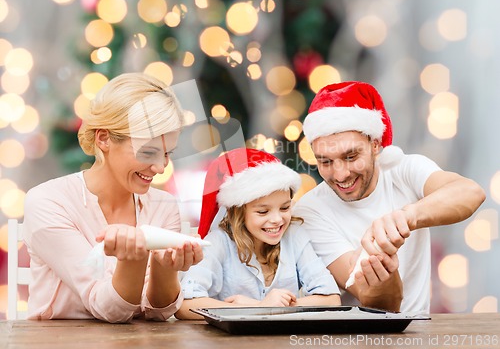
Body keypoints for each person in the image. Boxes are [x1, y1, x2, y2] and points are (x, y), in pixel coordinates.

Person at [23, 73, 203, 323]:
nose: (161, 167)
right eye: (149, 152)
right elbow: (108, 309)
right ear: (104, 138)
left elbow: (158, 312)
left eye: (167, 154)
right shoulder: (48, 201)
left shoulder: (164, 206)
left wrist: (166, 268)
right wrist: (134, 258)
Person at [293, 81, 485, 313]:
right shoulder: (309, 212)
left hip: (420, 334)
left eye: (351, 156)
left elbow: (470, 192)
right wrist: (384, 271)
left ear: (374, 144)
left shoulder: (404, 170)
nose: (340, 174)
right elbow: (376, 303)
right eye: (325, 161)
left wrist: (406, 217)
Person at [175, 148, 341, 319]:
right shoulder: (219, 242)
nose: (277, 219)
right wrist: (261, 307)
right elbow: (185, 306)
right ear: (238, 213)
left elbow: (331, 299)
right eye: (263, 212)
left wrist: (267, 308)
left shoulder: (294, 235)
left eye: (285, 208)